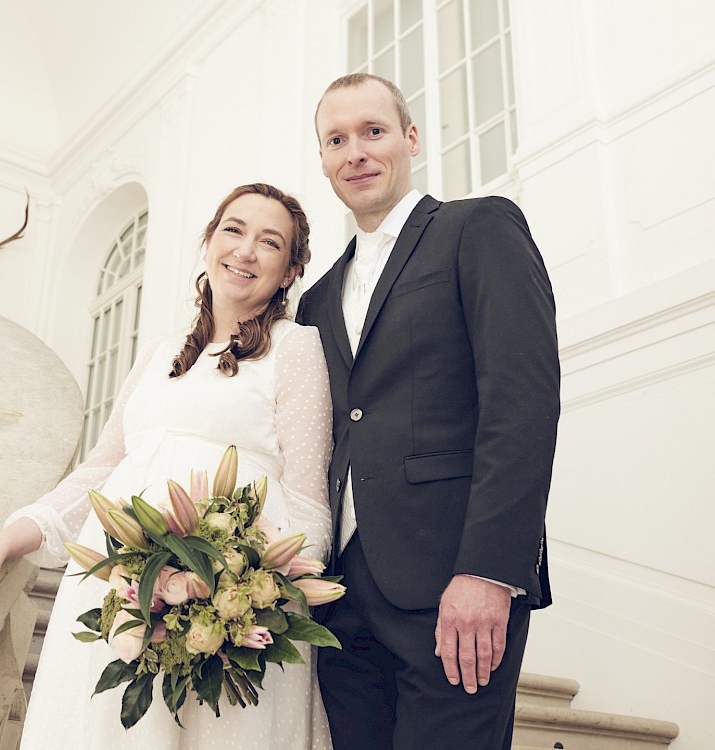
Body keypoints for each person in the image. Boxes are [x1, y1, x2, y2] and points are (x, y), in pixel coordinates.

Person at [0, 183, 335, 749]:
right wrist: (1, 544)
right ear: (209, 241)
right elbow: (99, 476)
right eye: (233, 229)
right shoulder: (159, 354)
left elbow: (307, 502)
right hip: (122, 593)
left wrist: (254, 598)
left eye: (269, 242)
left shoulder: (295, 349)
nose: (246, 250)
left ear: (289, 270)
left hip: (234, 618)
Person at [297, 73, 560, 750]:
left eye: (373, 131)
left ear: (410, 139)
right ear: (323, 160)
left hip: (453, 581)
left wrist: (490, 569)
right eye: (337, 139)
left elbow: (521, 401)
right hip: (341, 600)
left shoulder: (478, 227)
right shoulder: (316, 301)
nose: (355, 151)